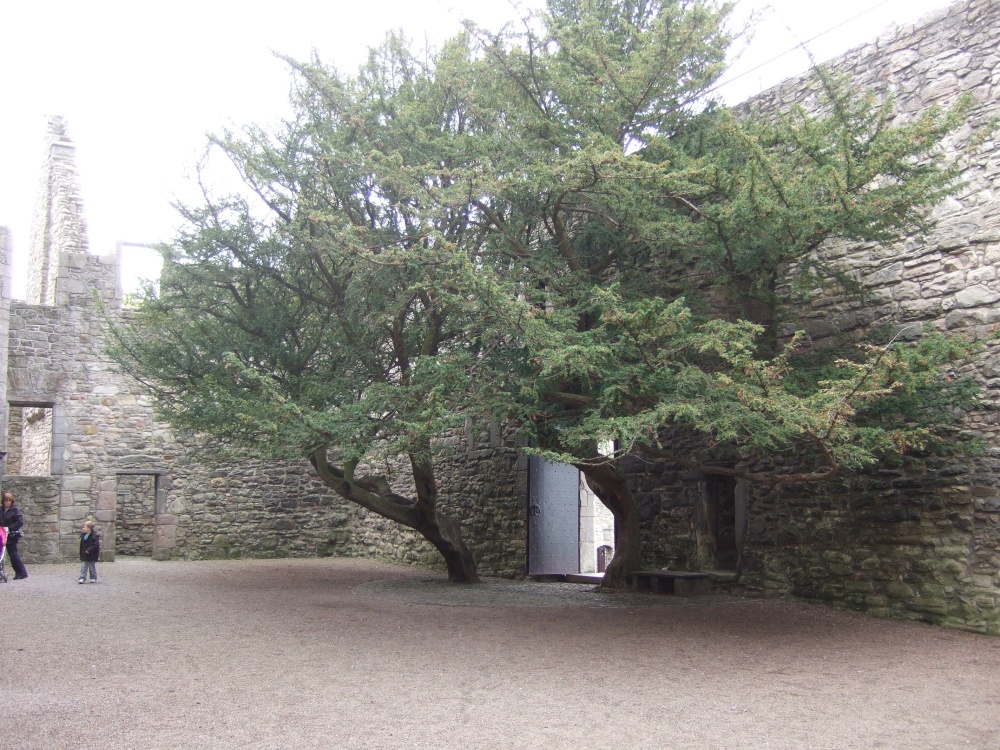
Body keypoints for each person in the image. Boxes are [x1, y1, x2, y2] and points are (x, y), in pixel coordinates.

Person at [1, 491, 28, 580]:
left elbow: (20, 522)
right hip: (2, 535)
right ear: (3, 501)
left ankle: (21, 572)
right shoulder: (1, 510)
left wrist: (8, 528)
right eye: (6, 501)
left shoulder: (15, 510)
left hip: (11, 535)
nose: (8, 502)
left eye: (9, 501)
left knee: (13, 554)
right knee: (2, 555)